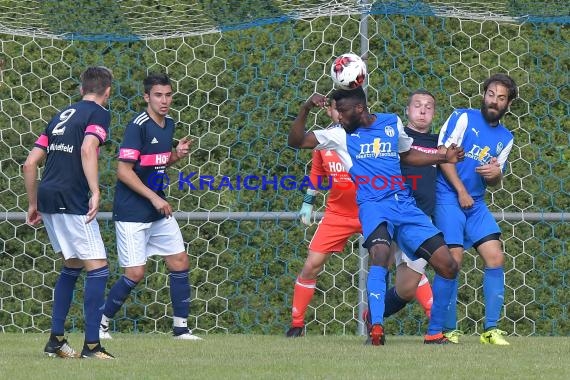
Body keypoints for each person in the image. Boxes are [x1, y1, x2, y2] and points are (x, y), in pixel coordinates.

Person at [288, 87, 462, 345]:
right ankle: (376, 328)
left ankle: (435, 333)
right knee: (380, 255)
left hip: (404, 206)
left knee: (447, 264)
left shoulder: (391, 122)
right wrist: (305, 108)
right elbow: (297, 141)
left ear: (359, 109)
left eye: (343, 112)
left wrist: (442, 155)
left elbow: (408, 155)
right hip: (373, 206)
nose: (338, 117)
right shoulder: (339, 134)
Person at [98, 73, 201, 341]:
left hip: (157, 211)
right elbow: (123, 171)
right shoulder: (138, 126)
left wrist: (176, 155)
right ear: (147, 97)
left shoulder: (169, 125)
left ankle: (181, 329)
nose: (164, 100)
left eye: (168, 95)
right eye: (158, 95)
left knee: (179, 261)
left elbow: (154, 164)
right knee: (135, 273)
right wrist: (154, 197)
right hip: (132, 212)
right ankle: (101, 323)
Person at [23, 66, 115, 359]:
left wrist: (33, 203)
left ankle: (56, 341)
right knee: (99, 268)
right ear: (107, 91)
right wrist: (96, 191)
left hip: (48, 196)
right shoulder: (99, 113)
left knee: (72, 265)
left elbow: (29, 163)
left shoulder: (61, 115)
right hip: (71, 198)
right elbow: (88, 149)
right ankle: (91, 346)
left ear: (81, 89)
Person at [434, 73, 518, 345]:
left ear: (508, 104)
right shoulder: (463, 118)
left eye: (501, 98)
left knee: (495, 257)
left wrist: (495, 174)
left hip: (476, 203)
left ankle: (490, 331)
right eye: (491, 94)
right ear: (483, 94)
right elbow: (441, 157)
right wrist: (460, 190)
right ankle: (447, 330)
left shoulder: (506, 138)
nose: (494, 101)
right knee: (453, 262)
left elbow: (495, 180)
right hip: (449, 196)